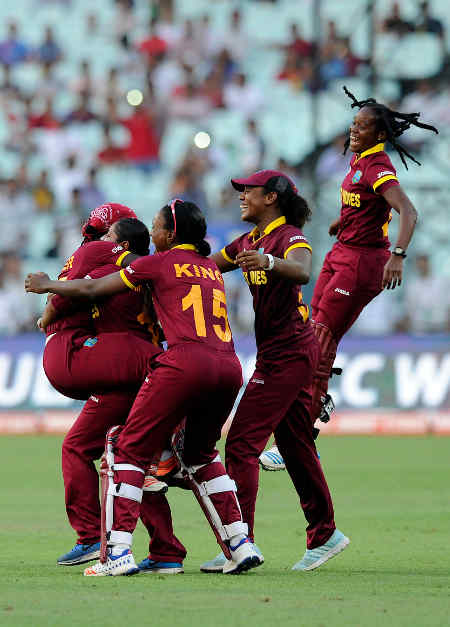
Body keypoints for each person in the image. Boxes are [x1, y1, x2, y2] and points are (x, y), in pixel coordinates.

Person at [26, 200, 262, 577]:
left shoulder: (154, 264)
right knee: (201, 456)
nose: (152, 235)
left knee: (125, 450)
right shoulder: (210, 269)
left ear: (171, 234)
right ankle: (240, 543)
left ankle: (115, 554)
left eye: (156, 227)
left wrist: (48, 286)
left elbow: (91, 289)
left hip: (181, 364)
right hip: (230, 367)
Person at [262, 87, 438, 467]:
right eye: (354, 123)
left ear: (380, 135)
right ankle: (309, 412)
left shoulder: (378, 167)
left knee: (322, 337)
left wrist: (398, 255)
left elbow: (408, 211)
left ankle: (303, 434)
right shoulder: (358, 162)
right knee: (312, 331)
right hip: (342, 252)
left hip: (362, 263)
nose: (354, 130)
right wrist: (346, 220)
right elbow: (370, 206)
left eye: (363, 126)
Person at [201, 170, 348, 574]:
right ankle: (325, 533)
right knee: (296, 445)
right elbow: (209, 266)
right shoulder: (249, 241)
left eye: (248, 191)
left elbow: (301, 269)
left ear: (272, 198)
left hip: (288, 354)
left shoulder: (288, 238)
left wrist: (269, 261)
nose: (242, 197)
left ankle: (239, 541)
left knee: (242, 444)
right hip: (284, 352)